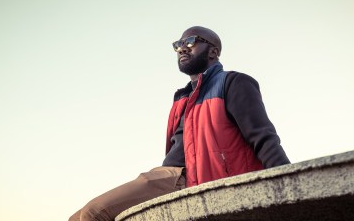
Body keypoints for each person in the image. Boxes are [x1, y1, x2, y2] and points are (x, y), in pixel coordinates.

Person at [69, 26, 290, 221]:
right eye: (178, 45)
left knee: (94, 213)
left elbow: (263, 136)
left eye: (191, 42)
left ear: (213, 51)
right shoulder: (183, 98)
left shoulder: (233, 83)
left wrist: (290, 185)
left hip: (185, 176)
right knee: (75, 218)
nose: (182, 48)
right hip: (168, 174)